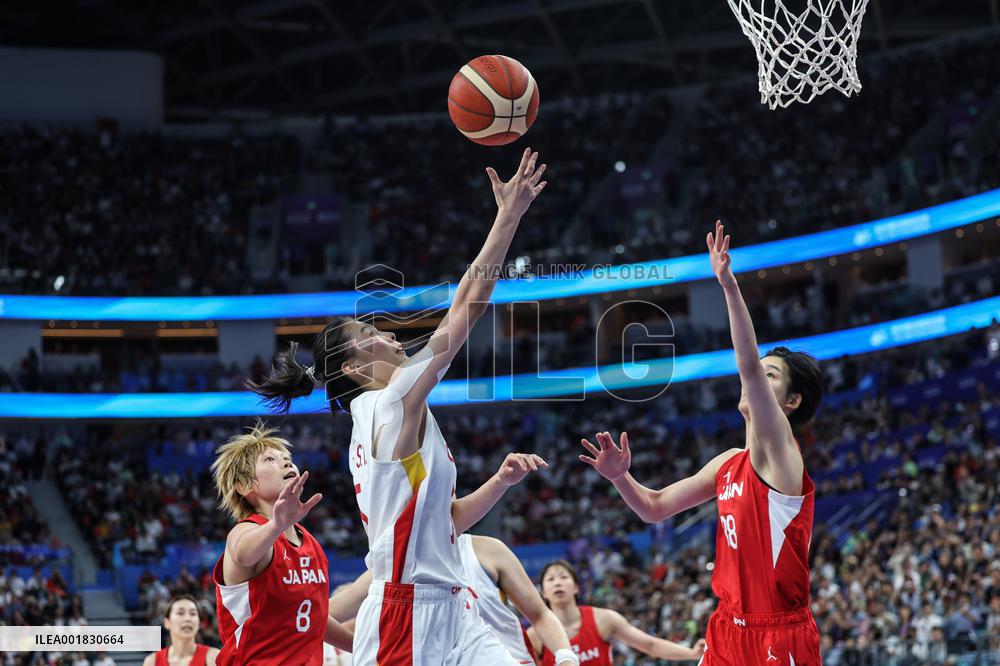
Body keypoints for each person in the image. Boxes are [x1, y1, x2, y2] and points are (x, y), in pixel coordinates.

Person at [251, 147, 550, 665]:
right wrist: (508, 216)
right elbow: (466, 308)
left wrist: (498, 484)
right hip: (405, 613)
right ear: (350, 367)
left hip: (455, 606)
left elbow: (446, 521)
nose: (388, 333)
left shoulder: (388, 411)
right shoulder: (389, 402)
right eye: (370, 332)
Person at [579, 221, 824, 665]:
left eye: (772, 376)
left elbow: (747, 366)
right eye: (760, 371)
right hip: (727, 629)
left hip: (778, 635)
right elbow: (653, 508)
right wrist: (620, 477)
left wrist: (729, 286)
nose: (753, 377)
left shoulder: (784, 455)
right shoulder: (730, 463)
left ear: (792, 401)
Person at [210, 423, 353, 665]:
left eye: (287, 458)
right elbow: (243, 554)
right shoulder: (245, 531)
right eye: (270, 460)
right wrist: (276, 524)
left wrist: (362, 645)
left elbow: (312, 617)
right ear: (245, 486)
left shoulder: (309, 542)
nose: (287, 463)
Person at [329, 534, 580, 666]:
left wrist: (566, 657)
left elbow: (540, 615)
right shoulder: (392, 563)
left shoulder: (487, 550)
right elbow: (321, 614)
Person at [528, 560, 705, 664]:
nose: (557, 583)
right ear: (543, 591)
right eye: (550, 579)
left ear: (576, 587)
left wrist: (691, 653)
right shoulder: (536, 635)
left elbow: (649, 645)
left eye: (563, 577)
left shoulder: (603, 619)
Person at [143, 594, 219, 666]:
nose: (187, 618)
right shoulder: (151, 662)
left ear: (198, 623)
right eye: (180, 613)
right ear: (167, 622)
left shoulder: (213, 658)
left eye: (193, 613)